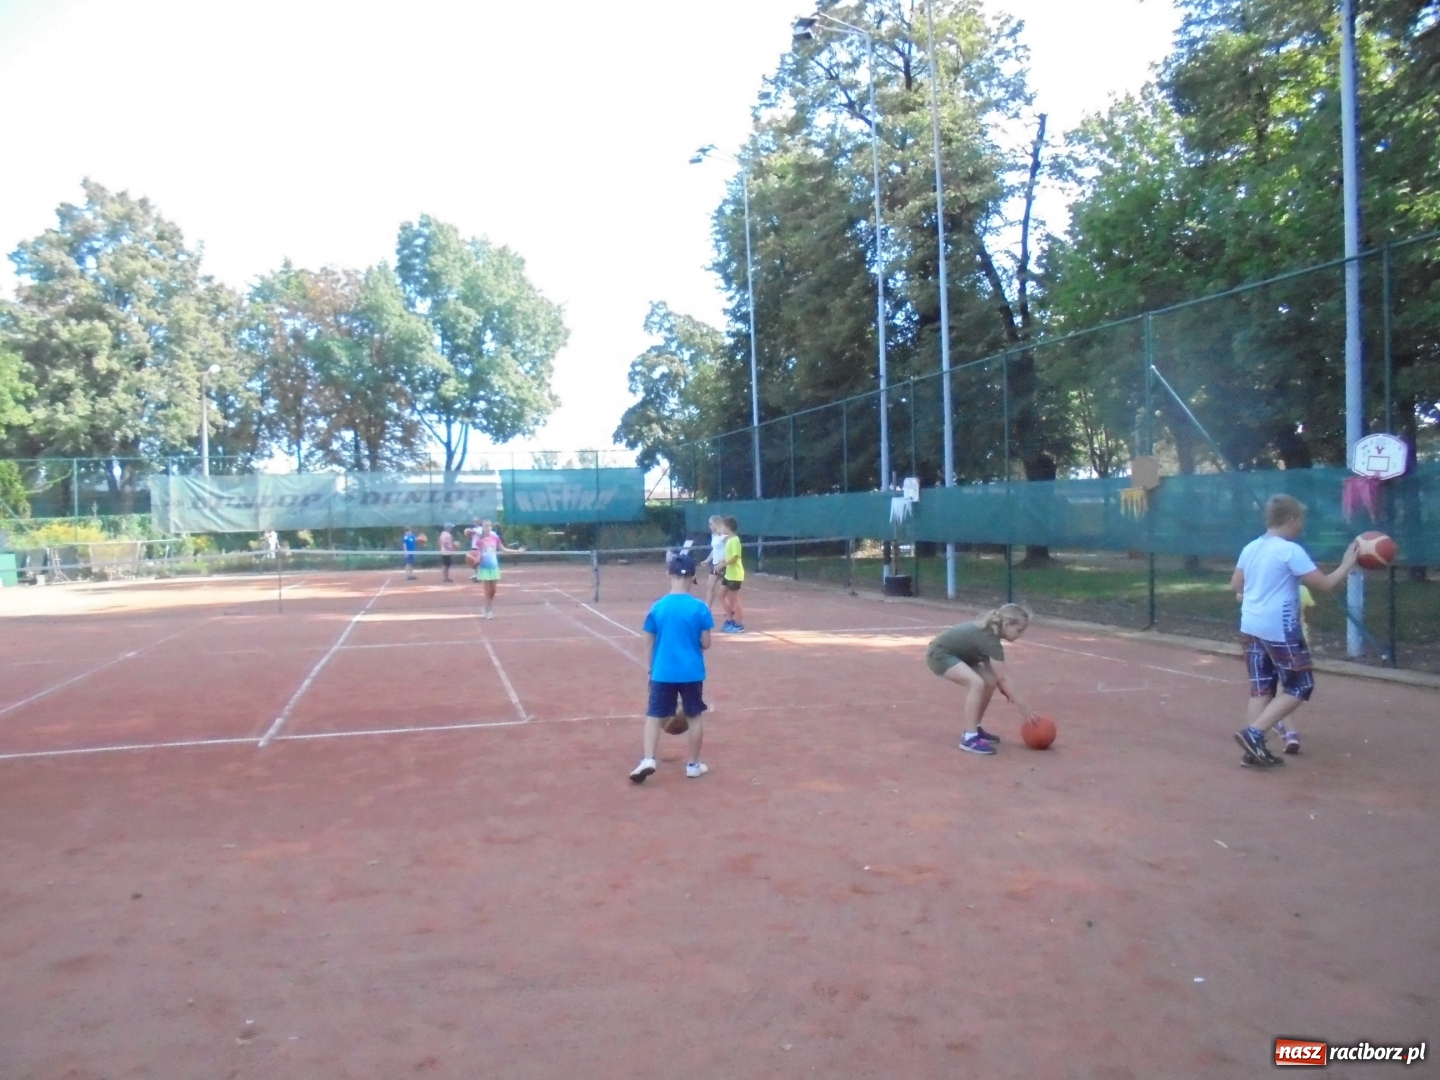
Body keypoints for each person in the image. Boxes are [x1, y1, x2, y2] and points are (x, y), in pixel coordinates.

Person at [1231, 494, 1360, 766]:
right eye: (1300, 519)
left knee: (1261, 688)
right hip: (1279, 629)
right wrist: (1348, 563)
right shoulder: (1289, 550)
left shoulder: (1251, 548)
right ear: (1290, 519)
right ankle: (1254, 734)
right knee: (1301, 684)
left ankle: (1252, 750)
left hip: (1251, 625)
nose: (1301, 525)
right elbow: (1324, 585)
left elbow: (1236, 585)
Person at [630, 550, 714, 783]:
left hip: (663, 671)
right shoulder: (700, 608)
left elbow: (648, 640)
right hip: (691, 672)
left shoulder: (658, 607)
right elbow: (706, 643)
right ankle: (693, 764)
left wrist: (651, 669)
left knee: (654, 716)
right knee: (694, 716)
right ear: (692, 578)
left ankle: (648, 759)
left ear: (669, 574)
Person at [926, 604, 1037, 755]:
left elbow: (995, 672)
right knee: (976, 683)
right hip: (940, 655)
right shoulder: (990, 639)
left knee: (989, 681)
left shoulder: (991, 634)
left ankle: (974, 727)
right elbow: (1003, 677)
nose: (1020, 635)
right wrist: (1024, 708)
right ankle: (969, 738)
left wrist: (1002, 686)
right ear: (1006, 624)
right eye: (1019, 630)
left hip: (961, 656)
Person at [472, 519, 523, 619]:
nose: (488, 528)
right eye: (486, 526)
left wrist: (517, 551)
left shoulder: (495, 538)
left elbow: (503, 549)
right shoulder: (480, 541)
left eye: (490, 526)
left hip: (494, 567)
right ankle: (489, 611)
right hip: (484, 567)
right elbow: (478, 555)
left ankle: (486, 607)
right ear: (482, 527)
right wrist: (476, 561)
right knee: (487, 590)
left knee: (493, 590)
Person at [718, 516, 745, 633]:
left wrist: (722, 565)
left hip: (735, 574)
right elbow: (728, 555)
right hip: (729, 574)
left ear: (728, 527)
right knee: (720, 595)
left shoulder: (735, 540)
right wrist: (722, 561)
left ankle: (739, 625)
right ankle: (730, 619)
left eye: (723, 526)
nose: (722, 529)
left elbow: (735, 557)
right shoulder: (729, 540)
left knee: (735, 600)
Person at [705, 515, 727, 612]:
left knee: (727, 589)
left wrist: (723, 561)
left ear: (715, 524)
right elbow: (714, 550)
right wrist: (707, 560)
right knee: (710, 586)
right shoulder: (713, 535)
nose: (709, 526)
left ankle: (730, 608)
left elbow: (729, 549)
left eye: (710, 524)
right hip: (715, 565)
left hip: (724, 565)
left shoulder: (724, 536)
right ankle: (707, 608)